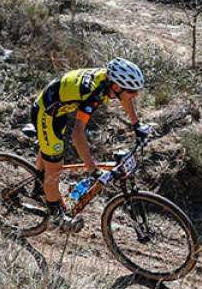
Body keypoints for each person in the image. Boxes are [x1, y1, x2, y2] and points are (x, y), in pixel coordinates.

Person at [30, 58, 148, 230]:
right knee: (55, 166)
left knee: (50, 154)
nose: (135, 95)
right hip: (46, 113)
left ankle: (39, 187)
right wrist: (92, 169)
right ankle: (55, 216)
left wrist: (137, 126)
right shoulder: (93, 92)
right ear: (116, 86)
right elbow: (77, 134)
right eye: (132, 91)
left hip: (60, 109)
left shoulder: (109, 82)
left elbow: (126, 99)